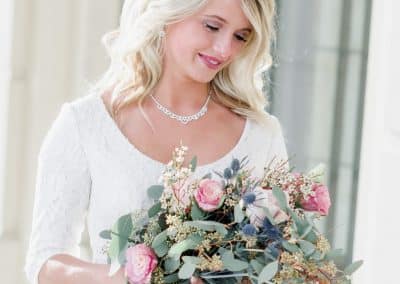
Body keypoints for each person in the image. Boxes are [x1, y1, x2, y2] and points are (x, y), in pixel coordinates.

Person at [24, 0, 288, 283]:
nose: (225, 49)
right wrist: (125, 278)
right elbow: (44, 263)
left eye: (240, 36)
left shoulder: (261, 135)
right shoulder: (87, 124)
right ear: (168, 13)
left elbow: (283, 260)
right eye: (212, 26)